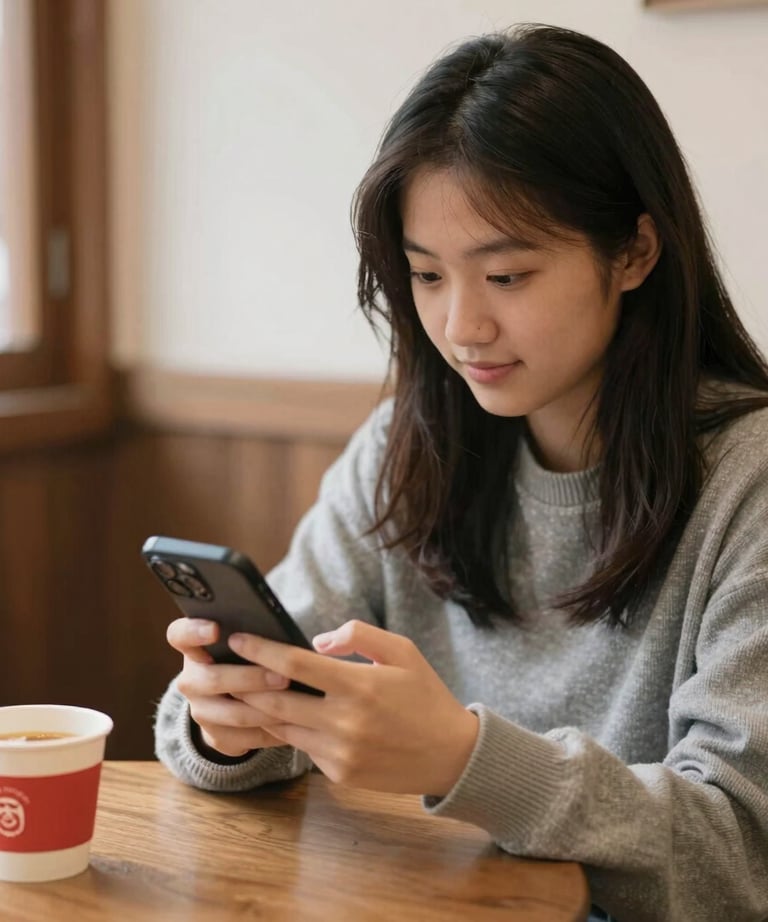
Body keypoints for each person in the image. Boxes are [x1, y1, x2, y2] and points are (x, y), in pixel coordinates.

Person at [154, 23, 768, 922]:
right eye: (426, 276)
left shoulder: (747, 481)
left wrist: (462, 760)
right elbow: (236, 699)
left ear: (635, 252)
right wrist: (229, 721)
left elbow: (740, 850)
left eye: (508, 276)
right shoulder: (407, 445)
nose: (461, 326)